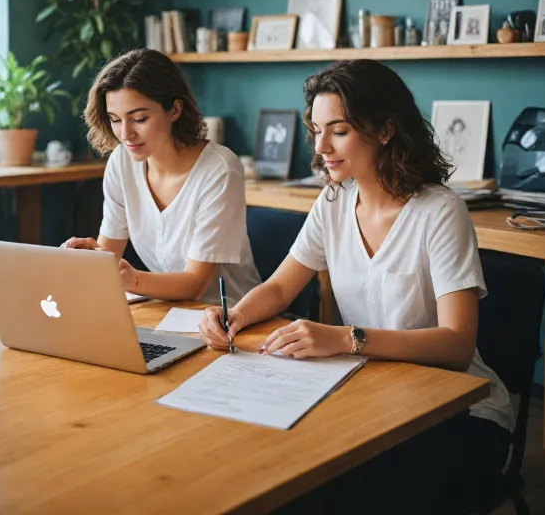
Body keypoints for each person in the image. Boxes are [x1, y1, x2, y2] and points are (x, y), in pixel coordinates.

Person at [199, 59, 513, 515]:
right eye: (316, 129)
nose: (321, 146)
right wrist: (237, 315)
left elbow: (457, 346)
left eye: (339, 130)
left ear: (385, 130)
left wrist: (345, 338)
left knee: (336, 493)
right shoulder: (334, 200)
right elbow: (280, 287)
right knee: (272, 468)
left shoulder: (439, 212)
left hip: (461, 410)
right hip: (373, 394)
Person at [63, 48, 261, 305]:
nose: (125, 134)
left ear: (175, 109)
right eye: (115, 119)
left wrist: (130, 278)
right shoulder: (121, 163)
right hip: (166, 310)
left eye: (139, 118)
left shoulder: (219, 169)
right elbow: (107, 262)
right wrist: (93, 260)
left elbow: (196, 285)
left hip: (230, 317)